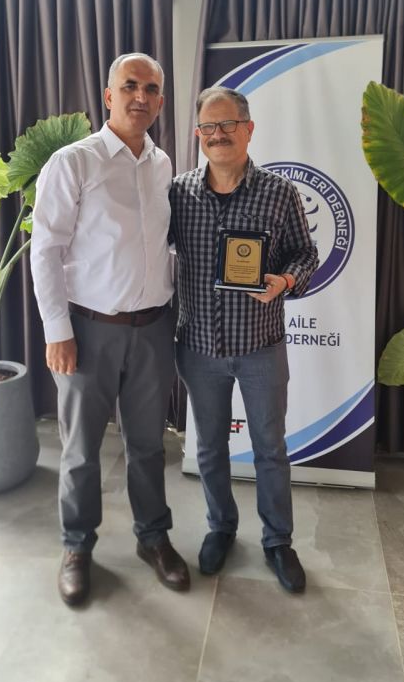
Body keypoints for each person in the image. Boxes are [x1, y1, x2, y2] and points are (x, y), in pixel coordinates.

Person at [30, 53, 190, 606]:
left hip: (153, 330)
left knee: (148, 445)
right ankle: (77, 547)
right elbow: (45, 250)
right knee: (80, 449)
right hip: (88, 331)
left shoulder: (163, 164)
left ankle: (153, 538)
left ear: (160, 102)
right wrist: (57, 329)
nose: (140, 96)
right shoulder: (74, 162)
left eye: (151, 89)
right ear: (108, 95)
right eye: (129, 86)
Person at [170, 86, 318, 593]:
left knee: (270, 449)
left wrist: (284, 280)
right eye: (208, 127)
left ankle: (278, 541)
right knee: (209, 447)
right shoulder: (178, 193)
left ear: (249, 129)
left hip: (261, 346)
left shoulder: (279, 192)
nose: (218, 135)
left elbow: (306, 254)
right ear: (198, 134)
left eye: (228, 124)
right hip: (199, 347)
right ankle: (221, 527)